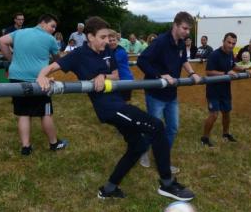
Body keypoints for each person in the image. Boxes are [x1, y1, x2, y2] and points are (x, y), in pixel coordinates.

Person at [36, 16, 195, 201]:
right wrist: (41, 77)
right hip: (108, 109)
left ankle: (109, 189)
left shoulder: (107, 52)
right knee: (156, 126)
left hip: (118, 103)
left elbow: (116, 74)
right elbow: (51, 67)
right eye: (102, 37)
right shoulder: (78, 55)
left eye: (108, 37)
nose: (107, 41)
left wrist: (102, 76)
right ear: (90, 37)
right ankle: (167, 184)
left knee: (139, 145)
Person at [136, 12, 202, 170]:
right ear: (175, 25)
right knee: (153, 128)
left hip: (171, 93)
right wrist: (160, 75)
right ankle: (143, 151)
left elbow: (183, 60)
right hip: (155, 93)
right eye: (185, 28)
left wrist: (192, 73)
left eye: (189, 30)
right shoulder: (160, 42)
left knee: (172, 128)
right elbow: (142, 60)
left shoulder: (180, 42)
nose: (187, 32)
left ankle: (162, 158)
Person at [0, 14, 68, 155]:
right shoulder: (50, 39)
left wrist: (11, 59)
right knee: (46, 113)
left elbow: (1, 40)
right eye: (52, 26)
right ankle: (54, 144)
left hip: (16, 77)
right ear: (42, 23)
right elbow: (57, 60)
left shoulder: (20, 32)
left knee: (23, 113)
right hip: (39, 80)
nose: (54, 30)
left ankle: (26, 147)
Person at [200, 32, 251, 148]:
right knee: (214, 115)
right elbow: (208, 72)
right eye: (229, 42)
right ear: (223, 41)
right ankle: (204, 138)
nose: (231, 45)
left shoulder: (230, 54)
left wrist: (245, 70)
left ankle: (225, 134)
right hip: (213, 90)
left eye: (233, 43)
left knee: (226, 113)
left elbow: (233, 65)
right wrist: (225, 73)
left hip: (225, 89)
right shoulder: (214, 55)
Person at [109, 31, 134, 102]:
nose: (112, 42)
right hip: (116, 80)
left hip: (125, 80)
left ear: (117, 40)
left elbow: (110, 63)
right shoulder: (109, 51)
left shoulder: (121, 51)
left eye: (114, 40)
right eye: (110, 40)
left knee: (123, 103)